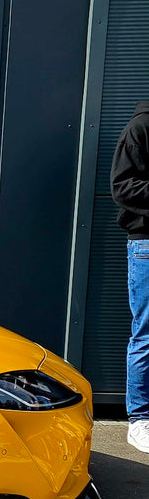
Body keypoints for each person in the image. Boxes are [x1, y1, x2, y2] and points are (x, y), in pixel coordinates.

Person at [111, 99, 149, 454]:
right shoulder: (141, 127)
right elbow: (122, 187)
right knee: (146, 334)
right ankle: (139, 420)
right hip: (147, 244)